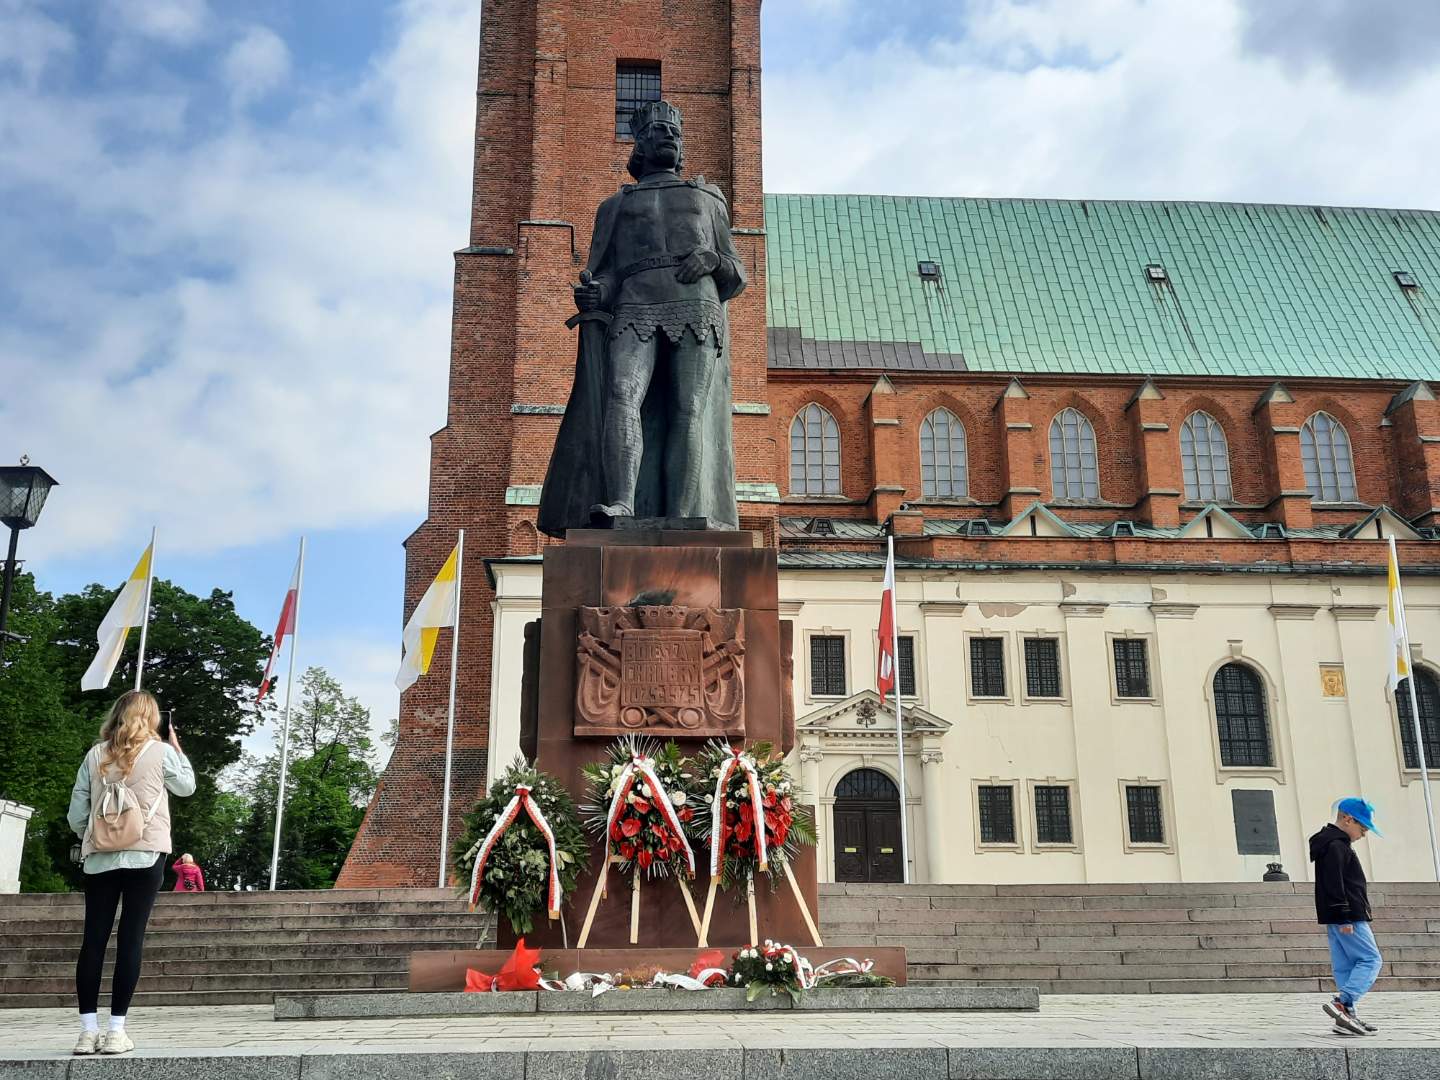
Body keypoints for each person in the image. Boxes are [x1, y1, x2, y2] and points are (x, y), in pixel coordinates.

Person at [66, 690, 195, 1056]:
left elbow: (78, 811)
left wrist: (94, 834)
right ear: (152, 718)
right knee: (131, 937)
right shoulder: (161, 752)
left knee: (94, 939)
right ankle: (116, 1030)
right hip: (145, 852)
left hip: (100, 858)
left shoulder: (95, 754)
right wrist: (175, 746)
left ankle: (86, 1032)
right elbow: (186, 787)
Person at [1309, 797, 1383, 1036]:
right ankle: (1343, 1002)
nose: (1363, 834)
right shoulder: (1336, 845)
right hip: (1348, 915)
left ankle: (1345, 1016)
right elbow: (1334, 882)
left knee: (1345, 966)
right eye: (1362, 828)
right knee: (1371, 960)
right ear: (1347, 819)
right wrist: (1344, 916)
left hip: (1337, 916)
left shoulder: (1331, 844)